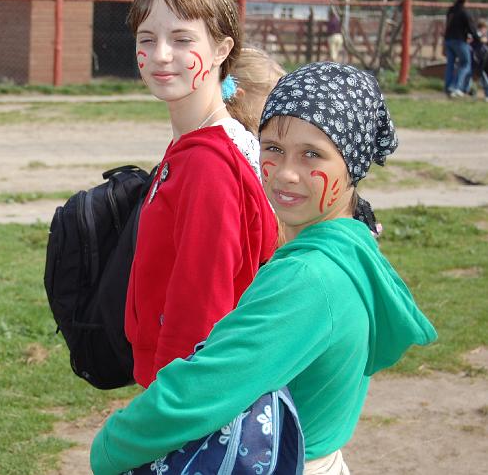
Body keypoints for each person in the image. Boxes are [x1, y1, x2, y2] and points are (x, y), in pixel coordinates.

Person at [90, 62, 437, 475]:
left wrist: (110, 446)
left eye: (312, 154)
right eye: (272, 148)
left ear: (353, 164)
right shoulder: (352, 248)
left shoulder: (307, 278)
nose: (286, 173)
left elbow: (203, 390)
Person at [125, 0, 279, 390]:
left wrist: (168, 406)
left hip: (187, 393)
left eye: (182, 39)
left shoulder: (208, 165)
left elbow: (200, 313)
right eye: (147, 38)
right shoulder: (207, 143)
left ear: (222, 50)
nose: (161, 55)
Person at [444, 0, 480, 97]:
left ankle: (448, 87)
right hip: (459, 41)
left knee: (450, 64)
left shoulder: (451, 10)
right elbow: (471, 28)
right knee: (465, 64)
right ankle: (457, 87)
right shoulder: (464, 12)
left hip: (448, 40)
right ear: (465, 0)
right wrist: (478, 39)